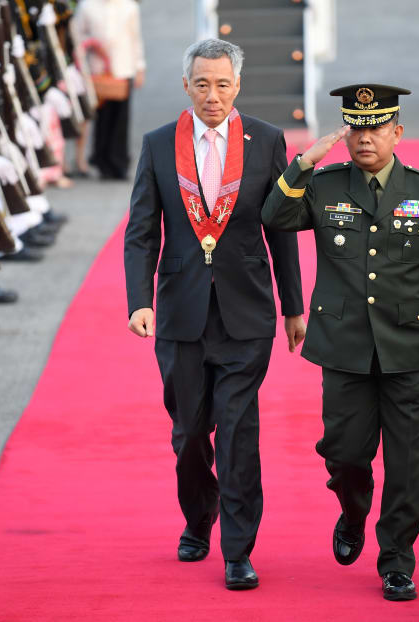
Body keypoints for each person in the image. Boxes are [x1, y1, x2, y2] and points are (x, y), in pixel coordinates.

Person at [262, 84, 419, 601]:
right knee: (345, 452)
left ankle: (397, 558)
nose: (364, 138)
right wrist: (303, 162)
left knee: (405, 459)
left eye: (376, 128)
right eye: (355, 128)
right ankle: (353, 510)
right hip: (345, 344)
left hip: (407, 344)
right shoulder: (326, 186)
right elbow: (275, 218)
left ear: (397, 133)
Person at [124, 38, 304, 590]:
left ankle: (238, 550)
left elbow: (282, 229)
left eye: (223, 84)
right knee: (189, 434)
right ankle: (198, 517)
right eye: (202, 84)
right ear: (186, 86)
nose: (212, 95)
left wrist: (293, 306)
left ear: (238, 86)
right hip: (180, 316)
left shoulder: (267, 141)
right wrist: (139, 301)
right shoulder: (159, 145)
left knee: (238, 431)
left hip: (247, 313)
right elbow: (140, 232)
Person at [75, 0, 145, 180]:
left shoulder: (130, 7)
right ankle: (101, 160)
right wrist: (92, 44)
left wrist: (139, 67)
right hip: (97, 69)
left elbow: (135, 39)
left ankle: (119, 163)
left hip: (123, 67)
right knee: (101, 116)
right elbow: (78, 34)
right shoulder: (87, 6)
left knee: (121, 118)